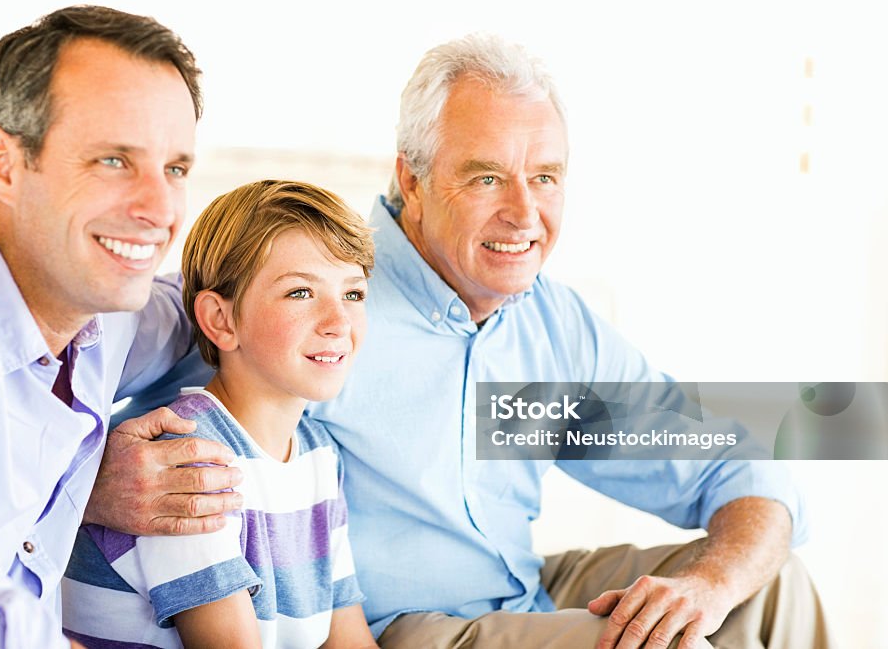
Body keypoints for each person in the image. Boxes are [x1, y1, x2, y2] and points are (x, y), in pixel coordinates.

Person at [118, 35, 831, 648]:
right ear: (413, 179)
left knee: (771, 585)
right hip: (402, 623)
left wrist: (712, 581)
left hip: (521, 591)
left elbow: (737, 467)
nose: (524, 213)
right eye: (487, 176)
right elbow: (93, 360)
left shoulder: (552, 325)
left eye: (545, 177)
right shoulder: (316, 296)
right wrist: (92, 479)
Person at [0, 6, 241, 648]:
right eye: (113, 160)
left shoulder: (99, 314)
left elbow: (200, 314)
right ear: (3, 163)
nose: (159, 208)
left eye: (175, 168)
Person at [62, 180, 379, 648]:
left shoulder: (318, 453)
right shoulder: (186, 465)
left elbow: (348, 641)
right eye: (300, 293)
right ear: (220, 321)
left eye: (353, 294)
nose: (338, 322)